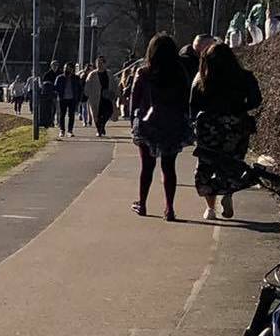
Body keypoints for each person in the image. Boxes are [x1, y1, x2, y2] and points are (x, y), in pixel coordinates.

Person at [191, 42, 263, 220]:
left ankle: (210, 208)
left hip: (209, 127)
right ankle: (228, 193)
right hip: (236, 125)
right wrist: (240, 108)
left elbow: (193, 104)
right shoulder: (244, 77)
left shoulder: (203, 78)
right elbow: (256, 100)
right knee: (233, 163)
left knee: (206, 165)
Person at [130, 35, 193, 221]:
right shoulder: (180, 74)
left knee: (147, 167)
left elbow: (134, 102)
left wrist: (135, 121)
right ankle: (169, 208)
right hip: (173, 124)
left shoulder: (143, 74)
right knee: (169, 167)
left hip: (148, 125)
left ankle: (142, 203)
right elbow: (185, 100)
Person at [86, 57, 116, 136]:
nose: (99, 64)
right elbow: (87, 84)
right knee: (97, 115)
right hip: (96, 97)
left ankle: (102, 126)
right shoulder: (92, 74)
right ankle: (99, 130)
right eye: (97, 63)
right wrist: (88, 94)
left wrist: (115, 94)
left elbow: (114, 84)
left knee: (108, 112)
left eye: (101, 62)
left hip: (107, 96)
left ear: (104, 64)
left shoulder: (109, 73)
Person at [56, 62, 83, 138]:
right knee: (62, 114)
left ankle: (70, 131)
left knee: (71, 115)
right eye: (65, 68)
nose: (67, 70)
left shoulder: (76, 78)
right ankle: (62, 130)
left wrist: (79, 99)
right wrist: (57, 95)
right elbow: (56, 88)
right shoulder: (60, 78)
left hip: (72, 99)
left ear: (72, 69)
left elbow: (80, 89)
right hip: (62, 98)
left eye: (69, 68)